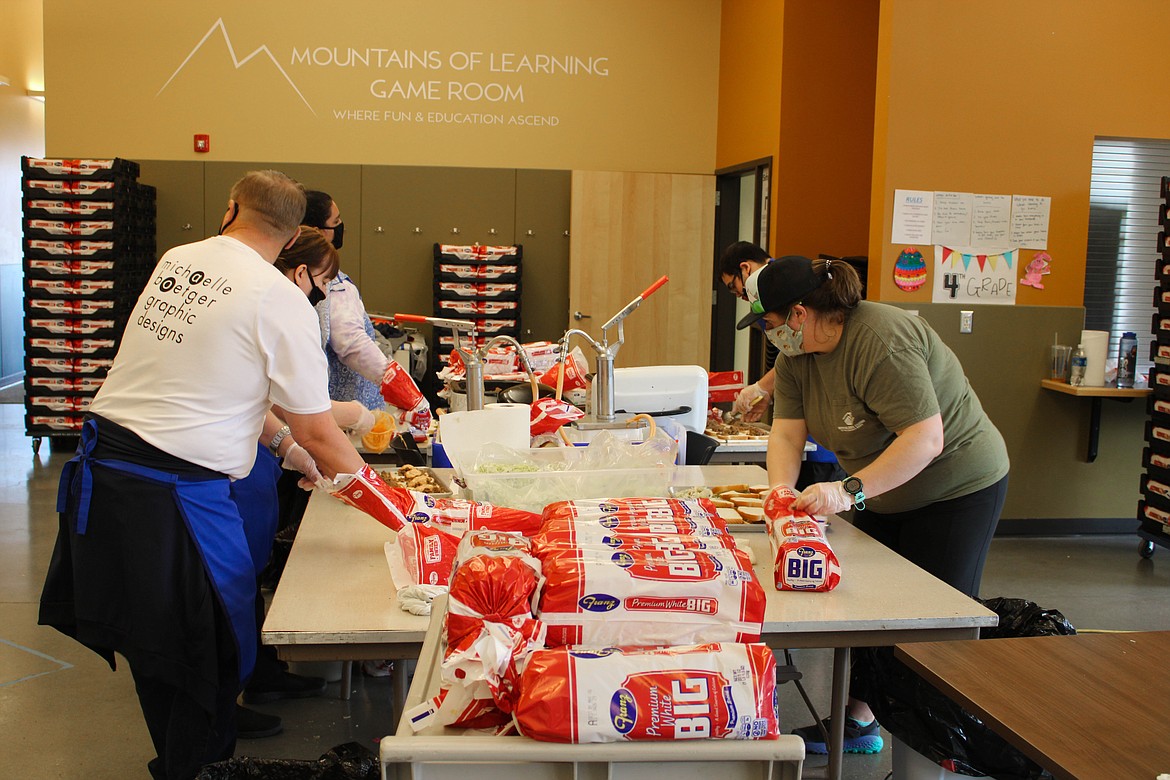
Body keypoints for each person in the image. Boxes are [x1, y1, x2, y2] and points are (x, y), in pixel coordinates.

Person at [37, 171, 380, 779]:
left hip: (105, 474)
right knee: (213, 646)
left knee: (154, 639)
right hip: (174, 494)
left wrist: (283, 448)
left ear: (231, 209)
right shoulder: (280, 301)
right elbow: (321, 430)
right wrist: (393, 508)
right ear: (295, 233)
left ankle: (179, 759)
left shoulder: (178, 260)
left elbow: (212, 386)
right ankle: (196, 766)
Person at [738, 255, 1010, 756]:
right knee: (871, 608)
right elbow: (787, 432)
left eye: (769, 324)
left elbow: (925, 439)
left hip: (955, 485)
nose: (768, 335)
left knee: (935, 620)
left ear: (799, 314)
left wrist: (848, 491)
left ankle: (940, 747)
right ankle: (860, 720)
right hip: (881, 487)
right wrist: (778, 490)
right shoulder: (796, 356)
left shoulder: (881, 341)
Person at [302, 190, 430, 433]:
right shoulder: (332, 285)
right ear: (316, 231)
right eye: (336, 222)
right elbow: (351, 343)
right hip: (338, 421)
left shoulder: (313, 277)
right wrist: (406, 391)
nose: (341, 228)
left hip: (325, 417)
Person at [719, 241, 844, 488]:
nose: (741, 297)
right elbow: (790, 359)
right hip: (803, 431)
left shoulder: (782, 285)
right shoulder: (775, 288)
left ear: (745, 268)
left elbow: (800, 352)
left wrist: (762, 387)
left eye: (734, 289)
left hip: (822, 443)